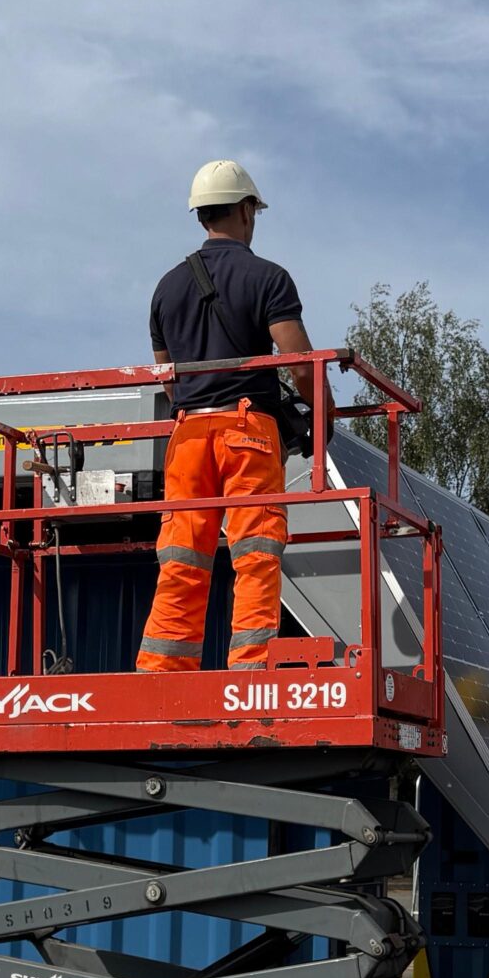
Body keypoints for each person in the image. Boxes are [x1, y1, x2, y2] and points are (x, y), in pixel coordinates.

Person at [137, 160, 314, 674]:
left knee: (182, 559)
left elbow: (166, 378)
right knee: (255, 553)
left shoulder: (166, 288)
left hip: (188, 434)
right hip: (247, 433)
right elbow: (300, 365)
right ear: (244, 210)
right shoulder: (269, 278)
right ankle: (251, 671)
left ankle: (160, 675)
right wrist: (318, 416)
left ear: (200, 215)